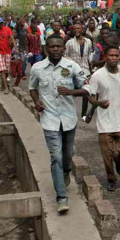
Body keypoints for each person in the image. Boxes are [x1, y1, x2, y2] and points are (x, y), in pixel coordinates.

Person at [29, 35, 88, 213]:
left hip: (69, 119)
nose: (55, 49)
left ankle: (66, 171)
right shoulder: (37, 68)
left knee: (67, 156)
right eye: (52, 46)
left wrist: (71, 91)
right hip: (49, 120)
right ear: (46, 49)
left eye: (58, 46)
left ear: (64, 48)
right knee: (55, 157)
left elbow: (86, 88)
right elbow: (32, 87)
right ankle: (61, 198)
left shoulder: (72, 67)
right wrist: (36, 101)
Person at [83, 46, 120, 191]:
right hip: (105, 122)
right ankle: (111, 178)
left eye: (116, 56)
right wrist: (99, 103)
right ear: (105, 57)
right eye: (111, 55)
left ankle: (119, 160)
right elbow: (90, 97)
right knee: (107, 154)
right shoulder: (97, 75)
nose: (114, 58)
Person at [65, 23, 93, 121]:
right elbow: (65, 55)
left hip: (85, 70)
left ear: (82, 30)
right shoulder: (69, 43)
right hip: (73, 72)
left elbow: (89, 55)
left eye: (79, 28)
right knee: (71, 92)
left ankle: (83, 114)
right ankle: (69, 113)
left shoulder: (88, 41)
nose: (77, 30)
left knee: (86, 92)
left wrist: (92, 69)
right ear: (73, 30)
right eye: (75, 28)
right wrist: (72, 64)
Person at [0, 17, 17, 94]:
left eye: (1, 23)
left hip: (7, 51)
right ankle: (6, 88)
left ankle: (2, 84)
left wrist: (16, 48)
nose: (0, 24)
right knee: (2, 70)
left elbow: (12, 39)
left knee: (7, 70)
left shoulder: (7, 29)